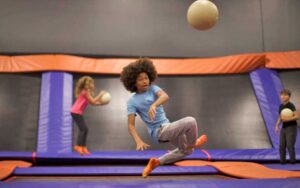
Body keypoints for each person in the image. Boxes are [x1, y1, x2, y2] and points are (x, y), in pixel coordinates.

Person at [120, 58, 208, 178]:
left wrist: (154, 104)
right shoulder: (132, 101)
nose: (145, 81)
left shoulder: (153, 89)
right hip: (159, 132)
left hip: (168, 127)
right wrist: (138, 141)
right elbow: (130, 125)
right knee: (191, 121)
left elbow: (165, 96)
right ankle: (194, 143)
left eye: (146, 78)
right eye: (140, 79)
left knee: (187, 151)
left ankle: (156, 163)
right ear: (133, 82)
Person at [71, 76, 107, 155]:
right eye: (92, 83)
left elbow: (92, 103)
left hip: (77, 112)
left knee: (85, 129)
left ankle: (83, 147)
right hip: (75, 111)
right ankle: (78, 146)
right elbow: (93, 101)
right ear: (88, 84)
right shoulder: (85, 91)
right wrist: (100, 94)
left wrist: (101, 104)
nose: (93, 85)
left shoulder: (87, 92)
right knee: (83, 129)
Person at [275, 89, 299, 164]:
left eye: (285, 95)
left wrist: (288, 119)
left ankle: (292, 161)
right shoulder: (281, 106)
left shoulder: (291, 105)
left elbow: (297, 116)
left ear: (289, 96)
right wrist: (277, 125)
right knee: (281, 145)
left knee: (289, 145)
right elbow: (280, 117)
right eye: (282, 95)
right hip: (283, 128)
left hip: (291, 127)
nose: (283, 96)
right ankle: (282, 161)